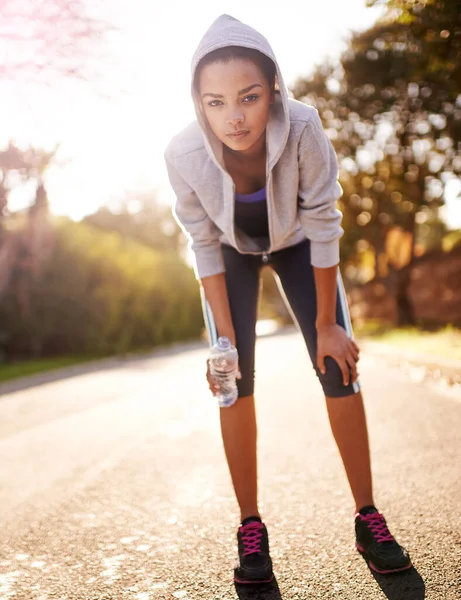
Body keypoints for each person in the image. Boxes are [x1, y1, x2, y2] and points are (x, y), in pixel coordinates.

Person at [165, 14, 412, 585]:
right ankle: (250, 529)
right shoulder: (183, 154)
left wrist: (328, 324)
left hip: (300, 244)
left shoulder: (303, 127)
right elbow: (203, 244)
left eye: (249, 97)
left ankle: (367, 517)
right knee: (230, 382)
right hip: (230, 253)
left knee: (337, 363)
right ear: (198, 104)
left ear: (273, 88)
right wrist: (223, 346)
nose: (235, 116)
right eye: (216, 102)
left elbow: (325, 223)